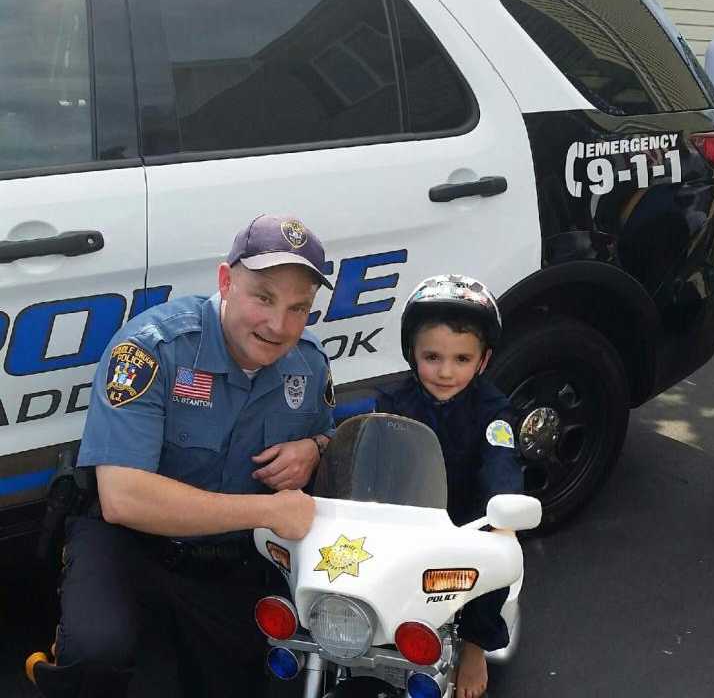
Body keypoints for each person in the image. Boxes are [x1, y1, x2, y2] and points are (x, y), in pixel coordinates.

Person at [32, 214, 336, 698]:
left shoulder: (309, 363)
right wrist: (270, 510)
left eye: (299, 308)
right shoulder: (152, 350)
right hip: (128, 543)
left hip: (229, 558)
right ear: (225, 281)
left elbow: (330, 439)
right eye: (264, 298)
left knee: (260, 675)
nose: (280, 326)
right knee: (95, 650)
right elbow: (123, 498)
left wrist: (316, 449)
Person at [375, 275, 523, 698]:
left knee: (493, 557)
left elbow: (501, 461)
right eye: (432, 356)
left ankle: (476, 645)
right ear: (412, 354)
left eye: (461, 359)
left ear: (483, 360)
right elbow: (370, 446)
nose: (445, 371)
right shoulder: (392, 400)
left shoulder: (494, 410)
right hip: (404, 512)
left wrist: (503, 510)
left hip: (466, 518)